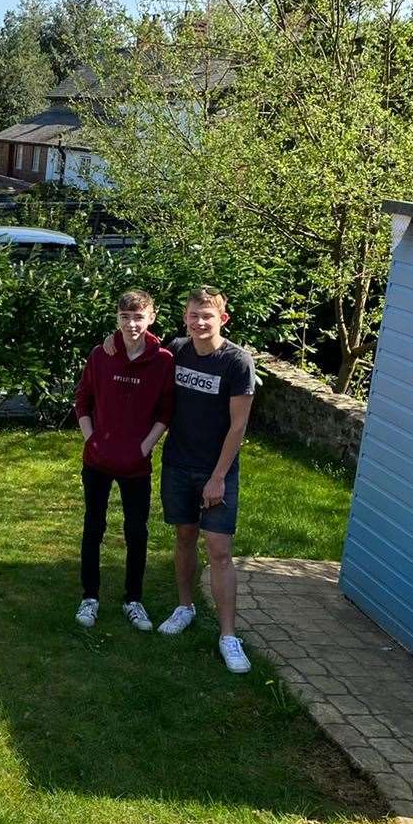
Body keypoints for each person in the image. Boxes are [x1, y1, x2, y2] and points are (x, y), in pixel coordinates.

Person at [153, 286, 256, 672]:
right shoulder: (177, 349)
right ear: (185, 318)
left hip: (217, 471)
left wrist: (217, 477)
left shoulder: (237, 362)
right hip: (178, 463)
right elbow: (137, 343)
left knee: (219, 550)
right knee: (184, 537)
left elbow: (238, 426)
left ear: (222, 319)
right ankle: (185, 607)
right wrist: (114, 342)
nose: (200, 322)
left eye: (207, 316)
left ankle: (229, 635)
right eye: (194, 315)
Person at [72, 289, 174, 631]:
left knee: (137, 531)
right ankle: (90, 597)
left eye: (139, 317)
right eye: (125, 317)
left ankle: (134, 600)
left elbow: (165, 411)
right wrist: (92, 439)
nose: (132, 324)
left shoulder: (162, 360)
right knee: (93, 527)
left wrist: (144, 448)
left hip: (135, 465)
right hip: (97, 460)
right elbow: (83, 399)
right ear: (117, 318)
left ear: (151, 318)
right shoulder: (102, 354)